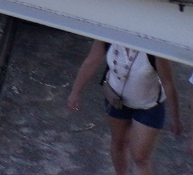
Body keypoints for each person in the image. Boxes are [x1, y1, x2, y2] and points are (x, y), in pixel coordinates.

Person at [67, 40, 180, 174]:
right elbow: (91, 62)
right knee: (119, 144)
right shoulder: (106, 37)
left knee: (141, 158)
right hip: (116, 100)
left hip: (149, 106)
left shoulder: (154, 49)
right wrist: (75, 92)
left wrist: (175, 117)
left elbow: (168, 83)